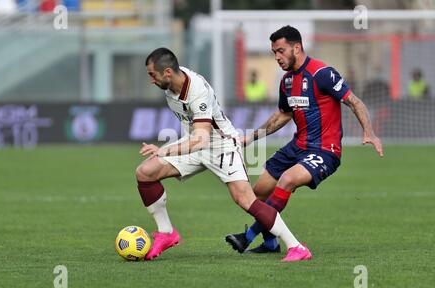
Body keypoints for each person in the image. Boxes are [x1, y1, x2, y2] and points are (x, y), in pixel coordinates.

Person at [137, 47, 311, 262]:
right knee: (145, 172)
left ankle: (297, 247)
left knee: (246, 199)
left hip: (221, 145)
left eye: (152, 74)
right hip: (194, 142)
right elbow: (197, 138)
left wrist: (164, 150)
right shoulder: (171, 83)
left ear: (168, 73)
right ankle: (166, 233)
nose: (151, 80)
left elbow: (202, 139)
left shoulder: (196, 90)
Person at [225, 25, 384, 257]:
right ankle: (270, 244)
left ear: (296, 47)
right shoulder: (287, 82)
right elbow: (282, 115)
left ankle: (248, 237)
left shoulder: (322, 73)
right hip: (297, 147)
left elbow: (355, 102)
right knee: (258, 193)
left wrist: (369, 132)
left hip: (324, 150)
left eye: (280, 51)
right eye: (274, 53)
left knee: (287, 180)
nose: (277, 57)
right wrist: (251, 137)